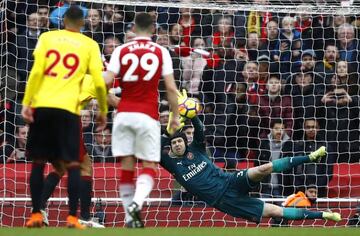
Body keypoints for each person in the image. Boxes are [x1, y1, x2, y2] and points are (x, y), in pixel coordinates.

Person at [160, 92, 341, 225]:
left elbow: (199, 130)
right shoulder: (171, 163)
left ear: (185, 142)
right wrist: (166, 131)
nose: (177, 144)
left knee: (263, 168)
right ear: (171, 146)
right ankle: (324, 215)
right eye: (174, 142)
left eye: (180, 141)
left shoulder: (197, 149)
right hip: (224, 201)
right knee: (275, 211)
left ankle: (310, 156)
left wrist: (194, 114)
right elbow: (156, 148)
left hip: (229, 181)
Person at [22, 6, 108, 229]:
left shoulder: (47, 37)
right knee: (82, 165)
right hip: (68, 111)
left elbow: (37, 71)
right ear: (82, 23)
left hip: (42, 106)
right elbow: (100, 82)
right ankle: (83, 217)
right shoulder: (89, 47)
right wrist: (104, 110)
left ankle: (38, 210)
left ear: (63, 20)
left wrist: (27, 102)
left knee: (48, 165)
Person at [103, 12, 180, 228]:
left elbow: (107, 81)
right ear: (154, 30)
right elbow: (172, 89)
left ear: (133, 29)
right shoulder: (160, 51)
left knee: (127, 167)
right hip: (148, 116)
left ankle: (130, 218)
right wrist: (174, 117)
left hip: (123, 115)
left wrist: (102, 100)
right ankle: (137, 204)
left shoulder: (120, 50)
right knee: (149, 166)